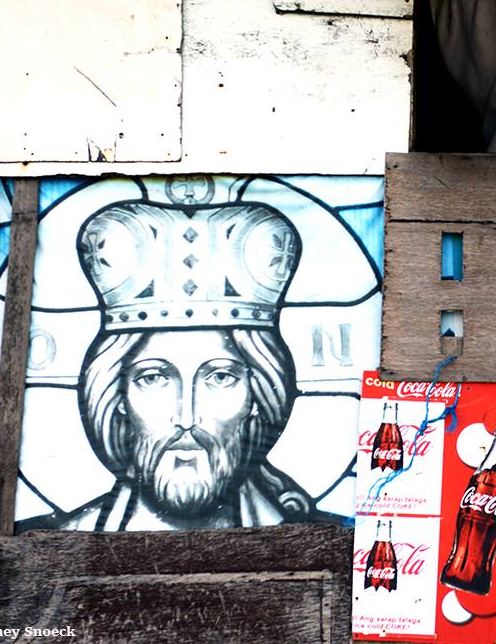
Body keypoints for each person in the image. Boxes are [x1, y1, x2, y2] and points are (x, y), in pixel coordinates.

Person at [19, 200, 337, 531]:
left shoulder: (311, 536)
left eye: (220, 377)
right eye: (153, 378)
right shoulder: (63, 538)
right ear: (117, 396)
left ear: (257, 398)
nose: (186, 418)